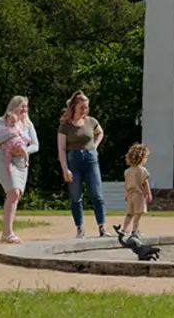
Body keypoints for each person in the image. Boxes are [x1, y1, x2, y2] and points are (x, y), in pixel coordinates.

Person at [0, 96, 39, 244]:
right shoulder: (1, 121)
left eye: (26, 107)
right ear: (13, 106)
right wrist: (11, 133)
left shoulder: (28, 125)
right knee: (13, 192)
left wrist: (24, 151)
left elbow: (36, 145)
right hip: (4, 161)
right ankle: (8, 233)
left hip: (22, 163)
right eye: (21, 106)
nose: (24, 110)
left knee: (15, 196)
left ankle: (6, 232)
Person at [57, 90, 108, 238]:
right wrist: (65, 168)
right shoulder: (65, 125)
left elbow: (100, 132)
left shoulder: (91, 121)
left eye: (86, 107)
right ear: (74, 107)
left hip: (91, 159)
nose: (85, 110)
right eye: (82, 107)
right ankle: (80, 228)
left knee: (97, 194)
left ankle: (102, 227)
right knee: (76, 196)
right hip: (73, 160)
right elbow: (61, 149)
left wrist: (95, 146)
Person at [122, 143, 152, 237]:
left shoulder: (127, 171)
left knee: (129, 213)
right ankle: (135, 230)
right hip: (139, 195)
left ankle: (124, 229)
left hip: (130, 194)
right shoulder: (143, 170)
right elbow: (145, 183)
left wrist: (126, 194)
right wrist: (149, 194)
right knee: (138, 214)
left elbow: (126, 184)